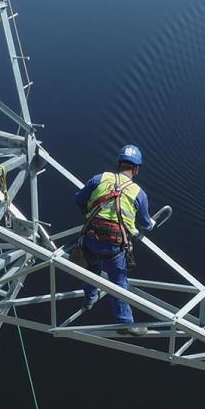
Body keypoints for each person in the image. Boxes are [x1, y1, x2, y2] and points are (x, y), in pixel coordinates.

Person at [75, 144, 155, 336]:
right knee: (119, 283)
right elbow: (145, 223)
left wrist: (89, 214)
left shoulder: (100, 178)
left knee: (91, 272)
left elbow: (79, 199)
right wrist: (150, 226)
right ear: (136, 169)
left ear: (118, 164)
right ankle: (125, 324)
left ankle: (89, 299)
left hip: (91, 239)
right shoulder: (138, 193)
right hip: (114, 246)